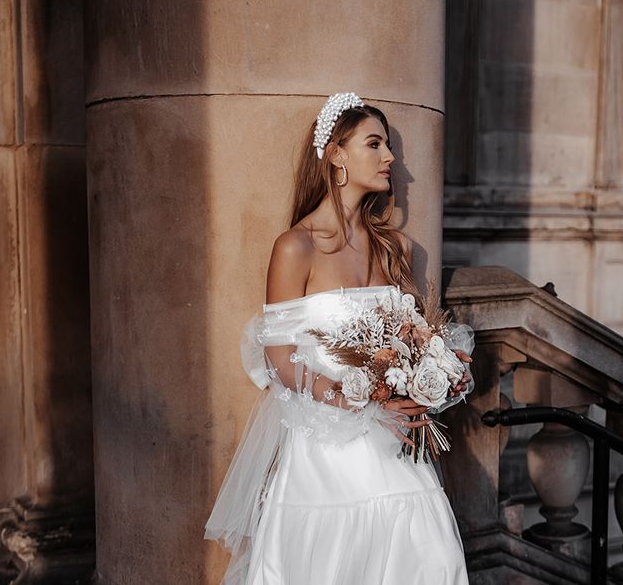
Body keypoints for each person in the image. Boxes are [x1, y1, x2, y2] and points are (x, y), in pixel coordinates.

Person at [204, 93, 475, 584]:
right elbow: (279, 355)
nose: (390, 158)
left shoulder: (397, 249)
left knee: (431, 561)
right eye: (375, 144)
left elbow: (415, 335)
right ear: (336, 154)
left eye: (387, 146)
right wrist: (354, 399)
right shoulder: (296, 246)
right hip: (327, 449)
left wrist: (442, 373)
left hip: (395, 447)